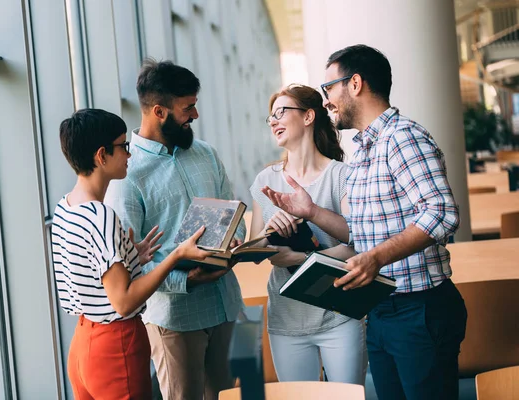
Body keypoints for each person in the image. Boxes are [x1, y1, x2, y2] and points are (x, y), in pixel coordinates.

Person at [262, 45, 467, 400]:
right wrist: (312, 212)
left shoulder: (403, 138)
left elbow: (442, 213)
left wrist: (376, 258)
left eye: (329, 89)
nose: (326, 101)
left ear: (354, 83)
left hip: (418, 308)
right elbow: (360, 232)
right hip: (382, 308)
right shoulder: (364, 150)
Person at [105, 60, 246, 400]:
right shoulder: (128, 176)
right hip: (175, 319)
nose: (195, 115)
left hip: (225, 305)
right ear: (159, 111)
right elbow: (128, 266)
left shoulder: (206, 154)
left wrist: (236, 240)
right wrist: (187, 279)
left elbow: (233, 213)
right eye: (188, 108)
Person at [52, 108, 212, 399]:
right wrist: (175, 256)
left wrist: (129, 258)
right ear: (101, 155)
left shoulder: (66, 207)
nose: (129, 154)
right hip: (115, 345)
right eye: (123, 147)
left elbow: (89, 275)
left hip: (83, 344)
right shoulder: (101, 216)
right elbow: (124, 302)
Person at [249, 84, 367, 384]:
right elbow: (256, 253)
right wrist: (270, 231)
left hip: (339, 313)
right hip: (287, 318)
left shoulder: (342, 175)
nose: (273, 121)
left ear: (308, 117)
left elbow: (359, 245)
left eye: (281, 113)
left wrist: (301, 256)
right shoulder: (265, 180)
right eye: (270, 117)